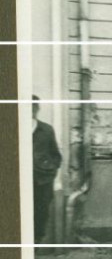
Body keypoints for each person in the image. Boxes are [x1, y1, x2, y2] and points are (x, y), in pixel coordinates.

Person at [32, 97, 62, 244]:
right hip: (19, 183)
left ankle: (33, 255)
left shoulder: (46, 130)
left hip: (42, 183)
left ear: (37, 109)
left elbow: (56, 156)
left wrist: (50, 171)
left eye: (33, 106)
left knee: (40, 216)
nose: (31, 109)